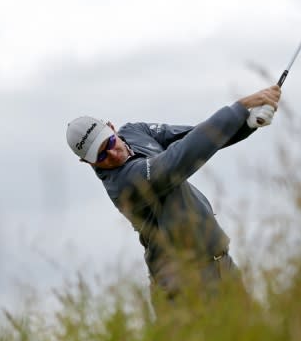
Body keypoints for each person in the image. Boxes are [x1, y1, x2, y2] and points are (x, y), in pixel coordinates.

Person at [65, 85, 281, 307]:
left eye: (109, 142)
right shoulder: (122, 184)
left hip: (221, 265)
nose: (111, 153)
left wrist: (246, 123)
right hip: (183, 288)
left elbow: (194, 137)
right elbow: (177, 160)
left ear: (111, 127)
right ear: (87, 162)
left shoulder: (134, 131)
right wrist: (239, 108)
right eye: (100, 155)